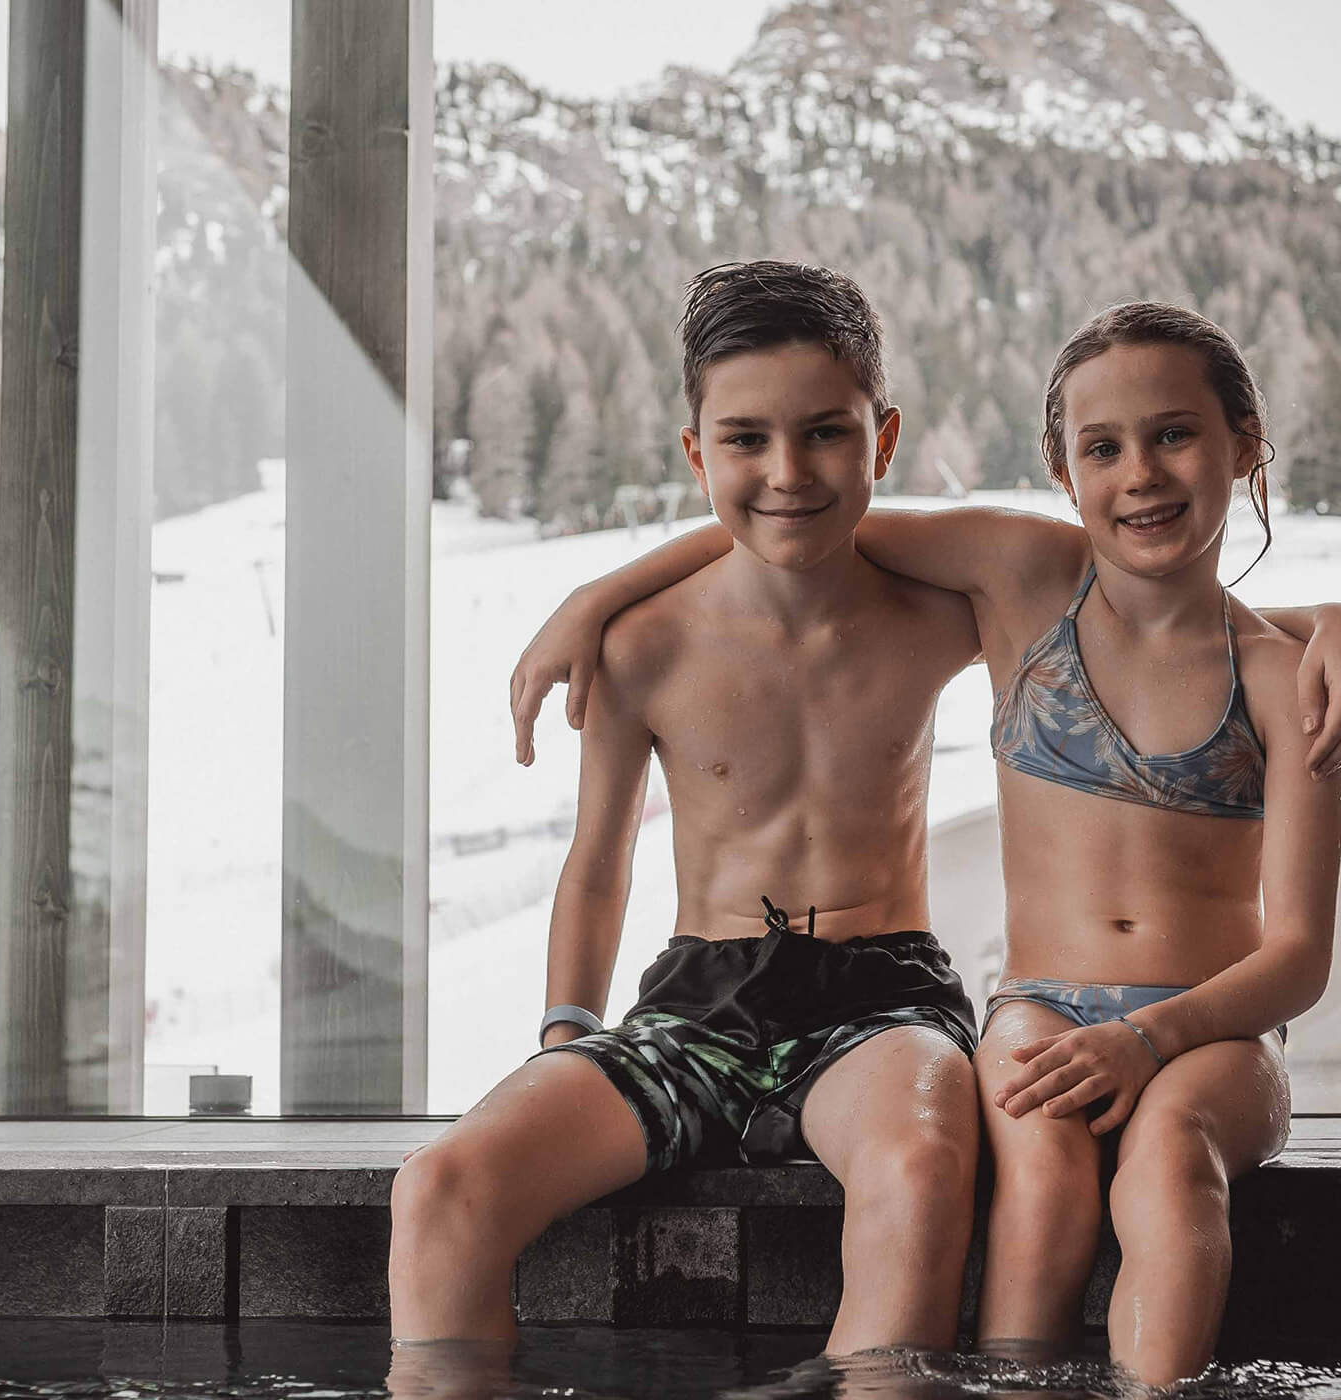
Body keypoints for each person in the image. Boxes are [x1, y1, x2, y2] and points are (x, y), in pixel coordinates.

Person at [512, 301, 1341, 1387]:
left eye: (1175, 435)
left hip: (1211, 1030)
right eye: (1103, 446)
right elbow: (801, 516)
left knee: (1166, 1162)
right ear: (1062, 468)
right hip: (1042, 1003)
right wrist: (597, 595)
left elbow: (1300, 957)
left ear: (1244, 440)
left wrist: (1149, 1041)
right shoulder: (1021, 576)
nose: (1140, 473)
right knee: (1046, 1184)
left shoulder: (1290, 681)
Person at [390, 262, 987, 1366]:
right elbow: (599, 863)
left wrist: (1317, 623)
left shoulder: (940, 612)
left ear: (883, 439)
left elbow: (1140, 597)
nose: (787, 470)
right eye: (746, 439)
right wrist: (566, 1031)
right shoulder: (643, 643)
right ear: (695, 451)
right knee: (440, 1184)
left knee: (922, 1158)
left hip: (881, 998)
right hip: (695, 1009)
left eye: (826, 434)